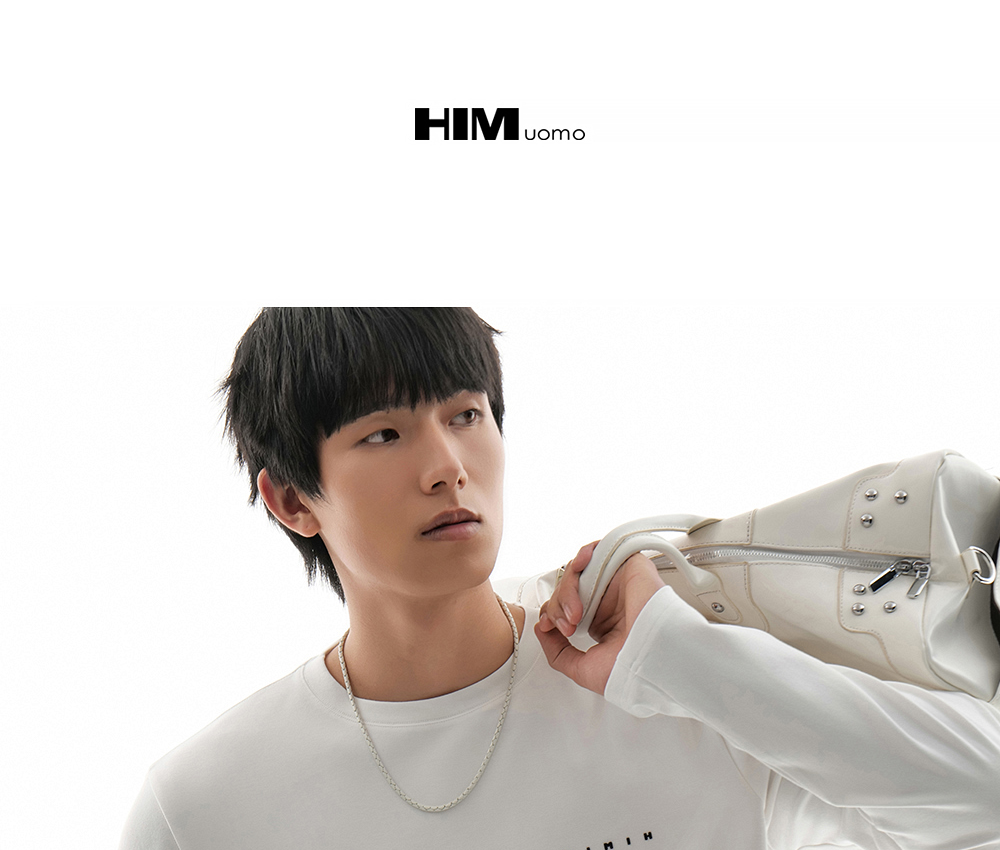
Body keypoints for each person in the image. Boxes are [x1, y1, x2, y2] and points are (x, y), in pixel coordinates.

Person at [119, 307, 1000, 849]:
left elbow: (982, 805)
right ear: (291, 500)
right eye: (384, 433)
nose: (447, 466)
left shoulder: (672, 680)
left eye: (466, 415)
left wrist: (684, 659)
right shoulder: (202, 808)